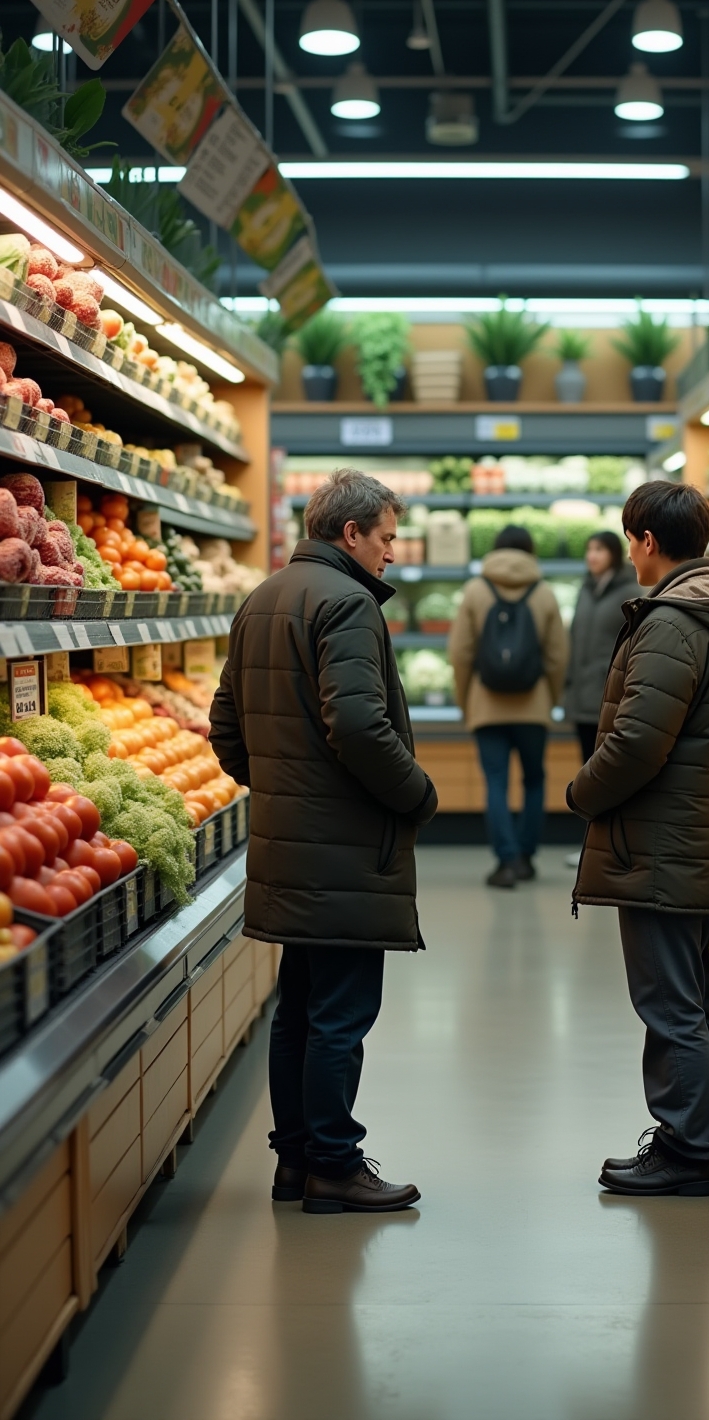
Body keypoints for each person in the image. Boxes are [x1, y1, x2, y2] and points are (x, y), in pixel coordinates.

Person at [210, 469, 437, 1215]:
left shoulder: (261, 599)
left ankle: (296, 1162)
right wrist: (417, 796)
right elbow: (361, 729)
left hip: (287, 843)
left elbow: (225, 727)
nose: (392, 555)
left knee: (300, 1008)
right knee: (340, 1014)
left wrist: (276, 786)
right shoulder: (346, 605)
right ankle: (335, 1168)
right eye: (386, 539)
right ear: (351, 534)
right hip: (344, 850)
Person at [567, 480, 709, 1198]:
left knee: (671, 1003)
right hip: (697, 834)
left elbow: (636, 744)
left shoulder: (671, 623)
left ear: (648, 541)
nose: (628, 550)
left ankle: (684, 1150)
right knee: (695, 997)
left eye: (630, 536)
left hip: (661, 842)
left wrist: (581, 794)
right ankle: (701, 1144)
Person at [448, 523, 568, 889]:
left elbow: (460, 653)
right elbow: (558, 656)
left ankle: (506, 860)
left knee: (496, 782)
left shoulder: (475, 590)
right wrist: (549, 698)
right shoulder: (544, 592)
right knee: (534, 780)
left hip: (487, 706)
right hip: (533, 708)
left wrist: (466, 701)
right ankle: (528, 857)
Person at [564, 530, 638, 763]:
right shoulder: (585, 590)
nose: (592, 556)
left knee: (608, 767)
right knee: (587, 764)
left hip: (611, 698)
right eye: (589, 550)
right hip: (581, 696)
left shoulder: (629, 592)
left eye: (599, 550)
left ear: (614, 554)